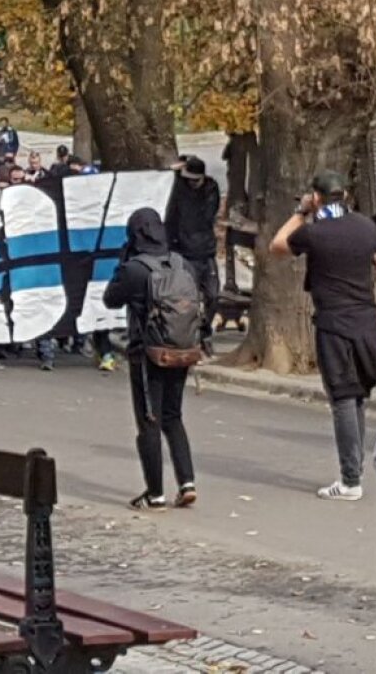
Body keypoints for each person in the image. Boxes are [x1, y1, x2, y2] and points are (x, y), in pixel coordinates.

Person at [270, 171, 376, 501]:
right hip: (365, 321)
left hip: (333, 325)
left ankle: (350, 480)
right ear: (347, 194)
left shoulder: (313, 232)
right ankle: (356, 471)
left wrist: (300, 212)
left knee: (342, 398)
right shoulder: (367, 227)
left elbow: (277, 245)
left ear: (318, 197)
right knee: (359, 397)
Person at [103, 208, 198, 511]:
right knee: (173, 416)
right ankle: (187, 482)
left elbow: (110, 298)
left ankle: (155, 493)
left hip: (148, 353)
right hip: (183, 350)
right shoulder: (183, 264)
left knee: (149, 420)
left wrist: (124, 261)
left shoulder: (135, 268)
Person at [166, 156, 221, 355]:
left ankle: (205, 331)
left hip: (206, 251)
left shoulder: (211, 189)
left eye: (195, 179)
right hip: (184, 252)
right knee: (187, 298)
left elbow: (208, 214)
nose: (191, 183)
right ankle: (191, 335)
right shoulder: (179, 187)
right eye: (188, 178)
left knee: (213, 295)